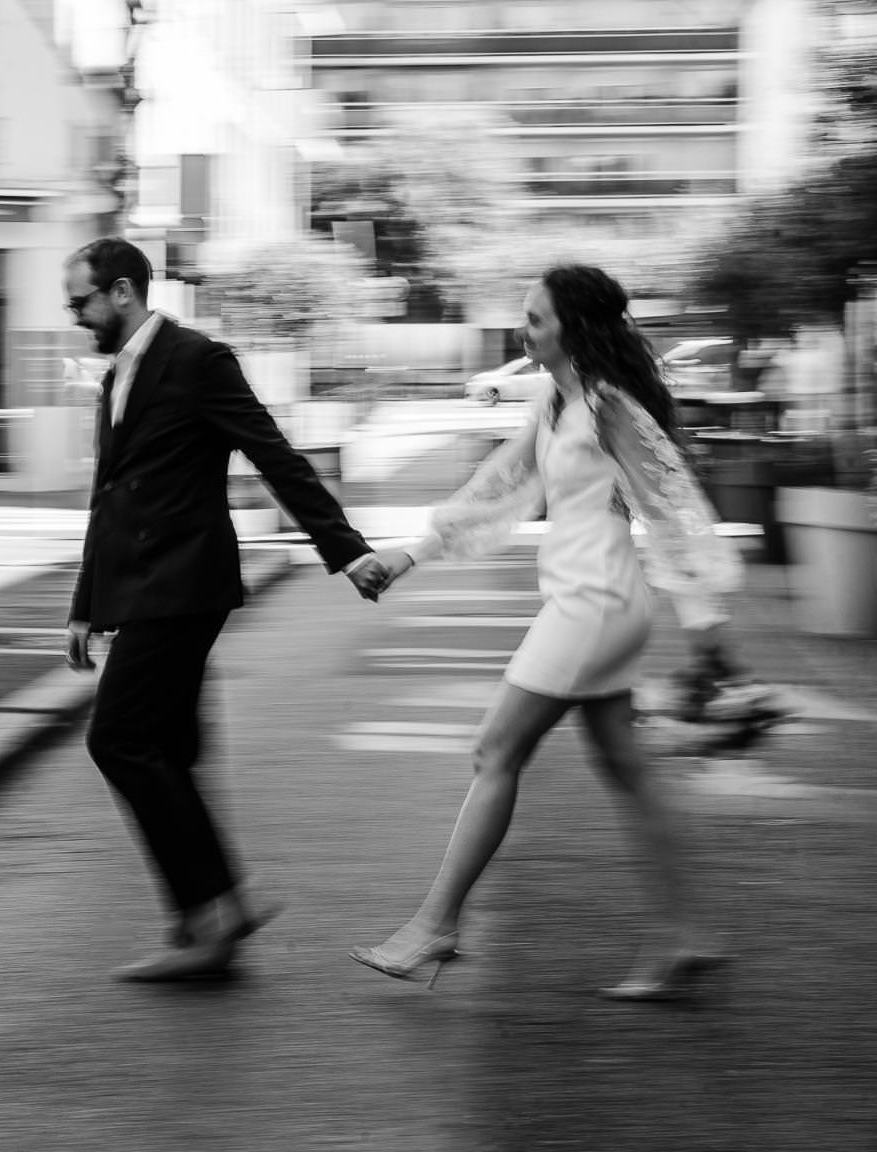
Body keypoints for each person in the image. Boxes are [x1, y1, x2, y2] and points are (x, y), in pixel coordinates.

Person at [350, 264, 743, 1001]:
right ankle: (685, 932)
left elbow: (671, 505)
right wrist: (411, 553)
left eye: (536, 318)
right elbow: (499, 485)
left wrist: (707, 624)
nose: (524, 330)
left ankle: (435, 924)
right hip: (582, 598)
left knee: (495, 749)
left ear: (574, 327)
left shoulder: (609, 405)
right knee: (628, 770)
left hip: (594, 604)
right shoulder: (555, 401)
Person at [62, 237, 391, 983]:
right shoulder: (117, 374)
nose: (74, 316)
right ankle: (202, 917)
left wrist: (347, 552)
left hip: (182, 586)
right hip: (144, 586)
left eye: (79, 301)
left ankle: (218, 904)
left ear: (120, 292)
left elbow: (276, 456)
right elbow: (107, 499)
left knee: (117, 740)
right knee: (169, 748)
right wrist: (85, 607)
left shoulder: (197, 360)